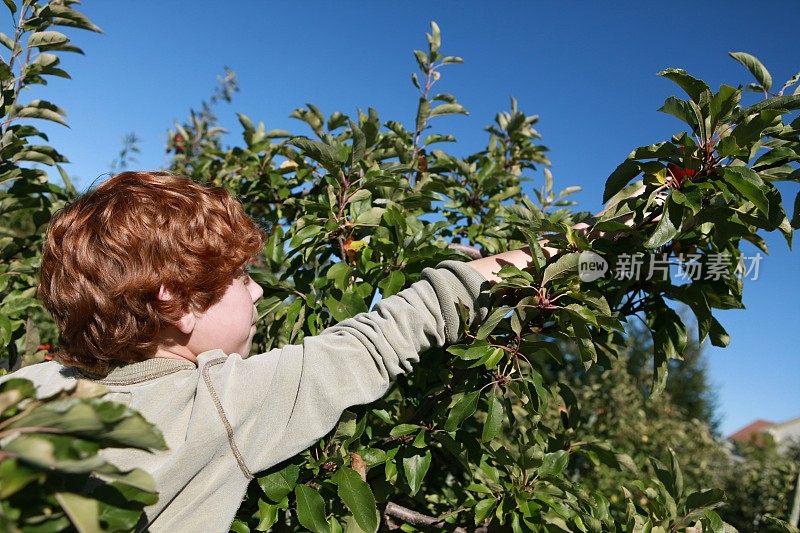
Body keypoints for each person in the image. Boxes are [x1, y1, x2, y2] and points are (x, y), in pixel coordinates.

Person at [4, 171, 536, 532]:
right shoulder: (217, 403)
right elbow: (386, 334)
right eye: (238, 276)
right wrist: (569, 252)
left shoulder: (29, 386)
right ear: (178, 303)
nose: (258, 290)